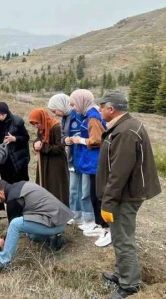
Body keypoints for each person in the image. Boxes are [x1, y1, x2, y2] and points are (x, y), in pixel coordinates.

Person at [95, 91, 162, 299]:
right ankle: (122, 273)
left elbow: (119, 172)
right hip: (123, 194)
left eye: (102, 106)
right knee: (119, 236)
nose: (99, 110)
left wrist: (108, 202)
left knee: (123, 239)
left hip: (125, 196)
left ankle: (130, 285)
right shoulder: (125, 126)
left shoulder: (125, 132)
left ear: (111, 109)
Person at [0, 179, 73, 272]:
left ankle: (2, 261)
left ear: (0, 192)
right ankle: (55, 240)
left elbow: (13, 226)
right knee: (29, 233)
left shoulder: (13, 198)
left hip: (53, 222)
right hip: (60, 221)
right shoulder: (20, 186)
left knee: (15, 224)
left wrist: (3, 241)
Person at [68, 89, 110, 247]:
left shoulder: (92, 117)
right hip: (89, 162)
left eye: (74, 104)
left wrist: (79, 140)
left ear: (82, 101)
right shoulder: (88, 115)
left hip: (94, 162)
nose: (73, 108)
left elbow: (97, 140)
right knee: (91, 193)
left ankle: (102, 227)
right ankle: (98, 225)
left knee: (96, 194)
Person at [48, 94, 91, 226]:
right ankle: (75, 214)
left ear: (61, 106)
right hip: (72, 157)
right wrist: (65, 141)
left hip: (83, 157)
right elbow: (63, 137)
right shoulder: (64, 119)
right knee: (73, 189)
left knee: (84, 189)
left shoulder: (77, 115)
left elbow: (85, 134)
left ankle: (88, 218)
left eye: (55, 110)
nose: (55, 114)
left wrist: (73, 139)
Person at [0, 102, 30, 210]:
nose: (1, 117)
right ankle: (0, 205)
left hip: (15, 159)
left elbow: (25, 138)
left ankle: (17, 205)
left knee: (15, 183)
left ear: (7, 112)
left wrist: (14, 139)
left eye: (3, 115)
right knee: (0, 181)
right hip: (0, 159)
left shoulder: (18, 121)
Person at [29, 108, 69, 205]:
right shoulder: (41, 128)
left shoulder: (55, 127)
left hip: (56, 163)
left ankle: (58, 209)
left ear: (42, 119)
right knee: (44, 185)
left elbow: (60, 147)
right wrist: (36, 143)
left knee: (55, 187)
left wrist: (43, 147)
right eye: (33, 124)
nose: (36, 126)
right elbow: (39, 139)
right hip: (44, 161)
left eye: (37, 123)